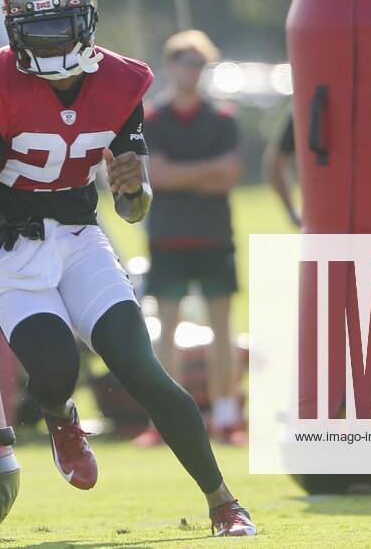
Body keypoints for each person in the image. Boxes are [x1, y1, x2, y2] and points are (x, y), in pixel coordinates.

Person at [0, 0, 256, 537]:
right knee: (55, 365)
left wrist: (136, 189)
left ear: (85, 22)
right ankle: (60, 415)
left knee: (141, 368)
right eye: (32, 27)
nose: (44, 40)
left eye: (55, 27)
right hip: (13, 247)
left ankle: (223, 503)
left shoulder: (123, 83)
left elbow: (133, 205)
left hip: (79, 236)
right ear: (15, 29)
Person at [138, 30, 244, 447]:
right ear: (170, 64)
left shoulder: (223, 119)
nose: (191, 69)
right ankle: (166, 421)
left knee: (223, 327)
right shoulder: (152, 120)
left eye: (199, 62)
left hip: (214, 237)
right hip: (168, 238)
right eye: (184, 60)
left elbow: (230, 175)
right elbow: (157, 176)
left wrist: (180, 175)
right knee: (167, 329)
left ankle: (226, 416)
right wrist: (206, 170)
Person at [263, 107, 301, 228]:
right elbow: (274, 165)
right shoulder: (306, 104)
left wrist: (291, 213)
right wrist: (291, 212)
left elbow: (274, 164)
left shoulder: (309, 99)